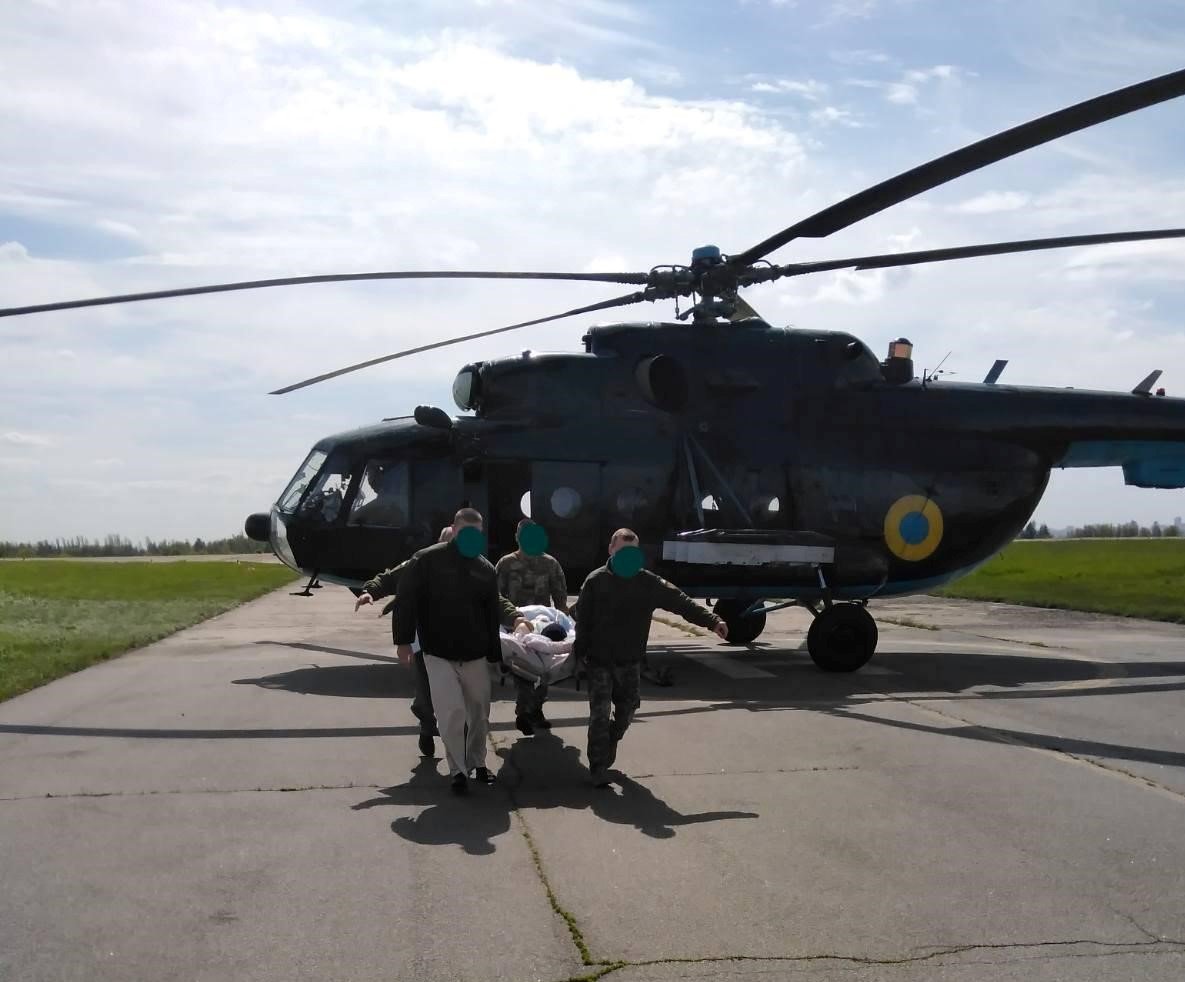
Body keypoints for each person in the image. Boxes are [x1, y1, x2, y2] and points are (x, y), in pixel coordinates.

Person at [573, 528, 728, 787]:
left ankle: (611, 739)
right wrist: (579, 655)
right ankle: (598, 768)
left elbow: (680, 602)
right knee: (599, 715)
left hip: (630, 661)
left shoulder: (648, 583)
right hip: (599, 661)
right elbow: (583, 621)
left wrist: (712, 621)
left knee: (628, 710)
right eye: (623, 551)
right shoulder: (595, 581)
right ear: (611, 550)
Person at [392, 508, 516, 795]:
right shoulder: (426, 560)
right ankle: (458, 771)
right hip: (438, 652)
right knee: (452, 712)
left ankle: (478, 762)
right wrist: (403, 641)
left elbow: (491, 611)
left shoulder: (485, 569)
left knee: (479, 711)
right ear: (455, 529)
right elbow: (406, 599)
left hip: (474, 653)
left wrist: (496, 655)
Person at [354, 525, 456, 758]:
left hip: (459, 641)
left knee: (461, 693)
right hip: (425, 641)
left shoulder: (471, 565)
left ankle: (462, 747)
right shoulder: (418, 565)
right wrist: (370, 592)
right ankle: (427, 728)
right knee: (426, 691)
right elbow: (388, 579)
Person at [495, 519, 569, 735]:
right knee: (523, 669)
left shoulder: (550, 564)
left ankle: (535, 709)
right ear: (517, 537)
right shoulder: (506, 564)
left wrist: (565, 625)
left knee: (545, 670)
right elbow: (495, 596)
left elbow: (560, 599)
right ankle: (524, 710)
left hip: (543, 626)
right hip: (516, 626)